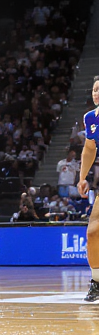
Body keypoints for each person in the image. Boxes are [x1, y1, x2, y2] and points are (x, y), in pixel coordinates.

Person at [73, 75, 99, 302]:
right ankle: (97, 282)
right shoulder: (91, 118)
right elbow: (90, 148)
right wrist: (82, 177)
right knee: (92, 232)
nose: (96, 93)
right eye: (94, 89)